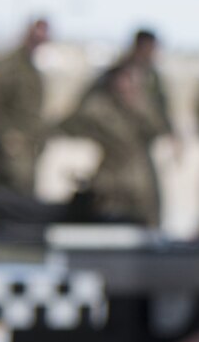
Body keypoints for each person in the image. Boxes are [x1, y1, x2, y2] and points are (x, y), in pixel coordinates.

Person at [57, 62, 163, 227]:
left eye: (131, 80)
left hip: (138, 180)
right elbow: (70, 124)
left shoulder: (142, 105)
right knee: (109, 223)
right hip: (110, 179)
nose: (126, 85)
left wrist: (137, 106)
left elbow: (156, 130)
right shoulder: (99, 107)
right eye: (123, 79)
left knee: (142, 225)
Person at [0, 18, 50, 197]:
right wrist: (5, 138)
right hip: (11, 149)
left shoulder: (32, 69)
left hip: (29, 146)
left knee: (24, 202)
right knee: (9, 201)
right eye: (36, 34)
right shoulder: (7, 68)